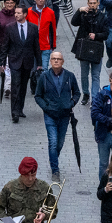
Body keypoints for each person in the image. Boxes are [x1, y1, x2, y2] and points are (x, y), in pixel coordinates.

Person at [34, 52, 80, 182]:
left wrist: (70, 103)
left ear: (63, 61)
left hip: (64, 115)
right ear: (50, 61)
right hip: (50, 115)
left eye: (58, 59)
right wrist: (46, 107)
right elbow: (38, 96)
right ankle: (55, 170)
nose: (56, 61)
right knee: (53, 142)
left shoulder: (69, 76)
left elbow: (77, 93)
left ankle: (53, 158)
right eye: (53, 59)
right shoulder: (44, 77)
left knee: (59, 143)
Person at [3, 6, 42, 124]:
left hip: (27, 61)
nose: (16, 15)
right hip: (14, 60)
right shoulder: (9, 28)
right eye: (15, 13)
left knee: (23, 86)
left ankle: (20, 109)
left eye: (19, 13)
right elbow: (5, 46)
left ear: (25, 14)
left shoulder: (33, 28)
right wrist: (2, 62)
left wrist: (39, 63)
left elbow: (36, 47)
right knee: (15, 86)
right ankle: (14, 112)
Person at [70, 0, 108, 106]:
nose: (92, 5)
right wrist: (79, 10)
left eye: (94, 3)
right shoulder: (83, 14)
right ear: (87, 3)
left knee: (96, 75)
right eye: (90, 3)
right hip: (84, 48)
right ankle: (85, 93)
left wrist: (96, 36)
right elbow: (73, 22)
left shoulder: (102, 17)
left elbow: (106, 34)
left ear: (98, 3)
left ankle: (95, 98)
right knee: (84, 74)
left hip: (96, 48)